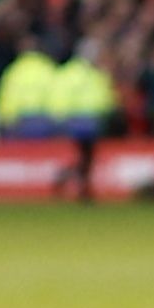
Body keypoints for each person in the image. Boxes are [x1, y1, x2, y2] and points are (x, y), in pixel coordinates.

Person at [50, 41, 116, 203]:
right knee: (86, 157)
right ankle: (79, 184)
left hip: (88, 121)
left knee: (87, 157)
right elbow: (61, 98)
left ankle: (78, 183)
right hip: (79, 121)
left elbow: (104, 98)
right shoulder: (81, 74)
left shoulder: (79, 73)